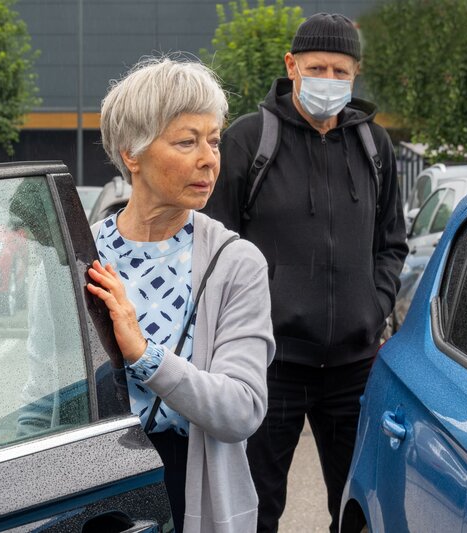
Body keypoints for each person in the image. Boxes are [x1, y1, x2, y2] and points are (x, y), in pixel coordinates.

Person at [201, 13, 408, 533]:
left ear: (356, 73)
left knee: (358, 508)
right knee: (255, 510)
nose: (329, 81)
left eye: (341, 71)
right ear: (291, 65)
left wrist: (374, 308)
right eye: (317, 68)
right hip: (270, 365)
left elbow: (392, 243)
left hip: (353, 369)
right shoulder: (248, 141)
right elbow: (215, 246)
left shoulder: (375, 146)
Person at [86, 56, 275, 533]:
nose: (209, 158)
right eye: (187, 142)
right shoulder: (80, 257)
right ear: (132, 154)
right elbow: (42, 402)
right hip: (94, 487)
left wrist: (144, 355)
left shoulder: (235, 262)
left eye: (214, 141)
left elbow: (241, 409)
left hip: (195, 487)